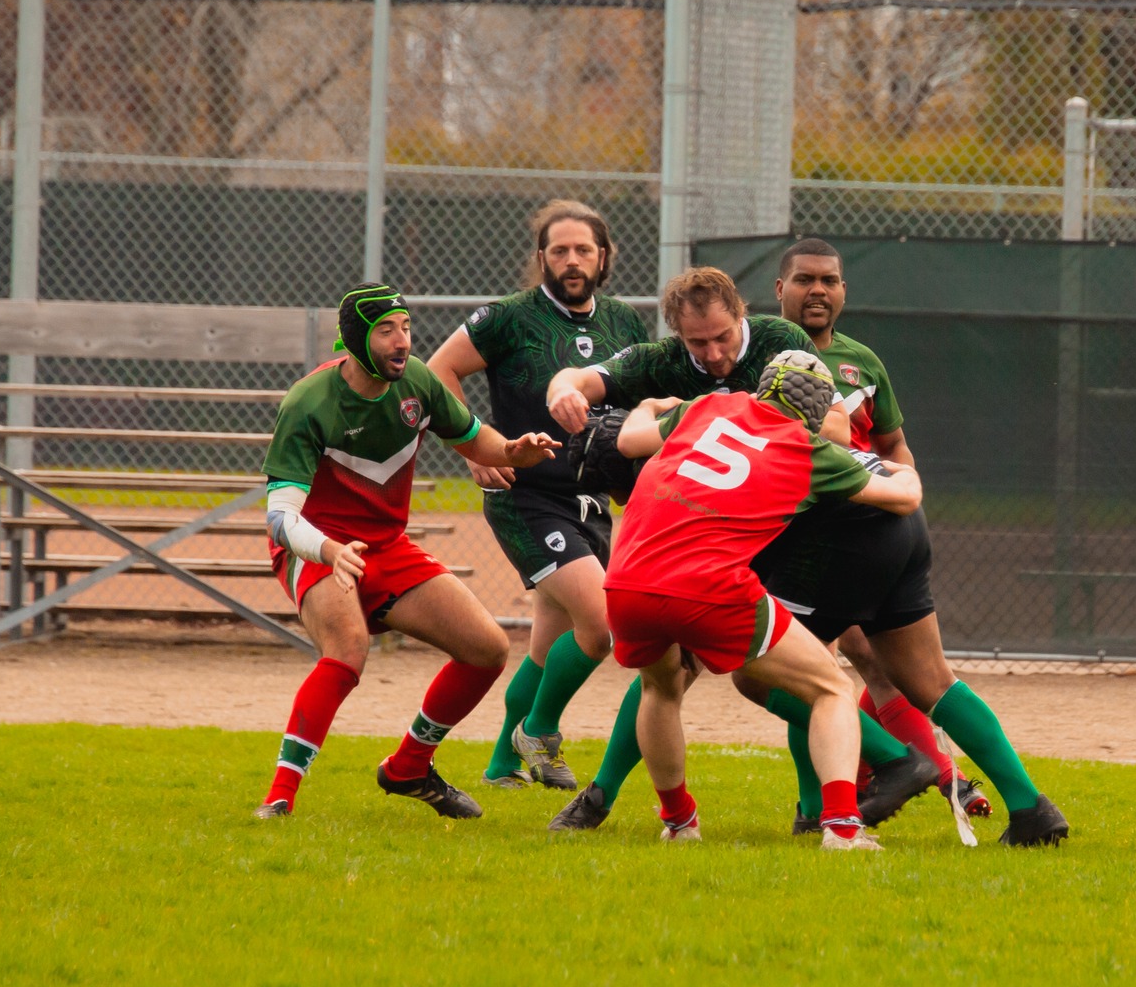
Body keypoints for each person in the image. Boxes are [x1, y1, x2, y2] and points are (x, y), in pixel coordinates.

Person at [544, 266, 940, 833]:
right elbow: (892, 492)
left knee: (668, 681)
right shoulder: (701, 385)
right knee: (819, 680)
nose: (712, 352)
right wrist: (563, 389)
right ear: (676, 334)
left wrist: (663, 409)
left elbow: (633, 440)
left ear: (743, 318)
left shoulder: (741, 377)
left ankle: (671, 816)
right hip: (719, 560)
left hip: (663, 560)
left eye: (722, 337)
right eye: (696, 342)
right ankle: (853, 806)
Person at [742, 238, 1069, 847]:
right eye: (805, 279)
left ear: (844, 291)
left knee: (771, 672)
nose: (818, 290)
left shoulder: (860, 360)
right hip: (877, 530)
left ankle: (890, 769)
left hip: (840, 534)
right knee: (924, 680)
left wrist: (902, 488)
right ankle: (1031, 810)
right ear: (779, 290)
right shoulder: (758, 348)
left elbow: (893, 446)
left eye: (830, 281)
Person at [256, 283, 558, 820]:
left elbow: (472, 438)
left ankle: (409, 767)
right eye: (387, 331)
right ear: (355, 340)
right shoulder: (309, 402)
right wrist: (325, 550)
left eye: (407, 328)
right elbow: (281, 519)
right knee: (347, 650)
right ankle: (279, 796)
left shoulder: (416, 380)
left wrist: (513, 450)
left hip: (386, 546)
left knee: (487, 648)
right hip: (318, 545)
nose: (402, 342)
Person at [602, 352, 923, 849]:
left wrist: (647, 404)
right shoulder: (808, 447)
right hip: (707, 586)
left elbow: (629, 438)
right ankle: (840, 826)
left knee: (659, 691)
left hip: (626, 578)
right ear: (816, 412)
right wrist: (903, 470)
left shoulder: (706, 407)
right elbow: (902, 499)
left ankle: (680, 822)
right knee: (831, 689)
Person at [425, 200, 651, 792]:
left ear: (605, 257)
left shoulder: (626, 323)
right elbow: (435, 373)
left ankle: (503, 763)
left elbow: (639, 400)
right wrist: (477, 448)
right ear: (541, 259)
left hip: (591, 502)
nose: (571, 261)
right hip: (526, 497)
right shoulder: (508, 318)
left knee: (550, 647)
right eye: (559, 251)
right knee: (600, 627)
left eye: (583, 250)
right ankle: (539, 732)